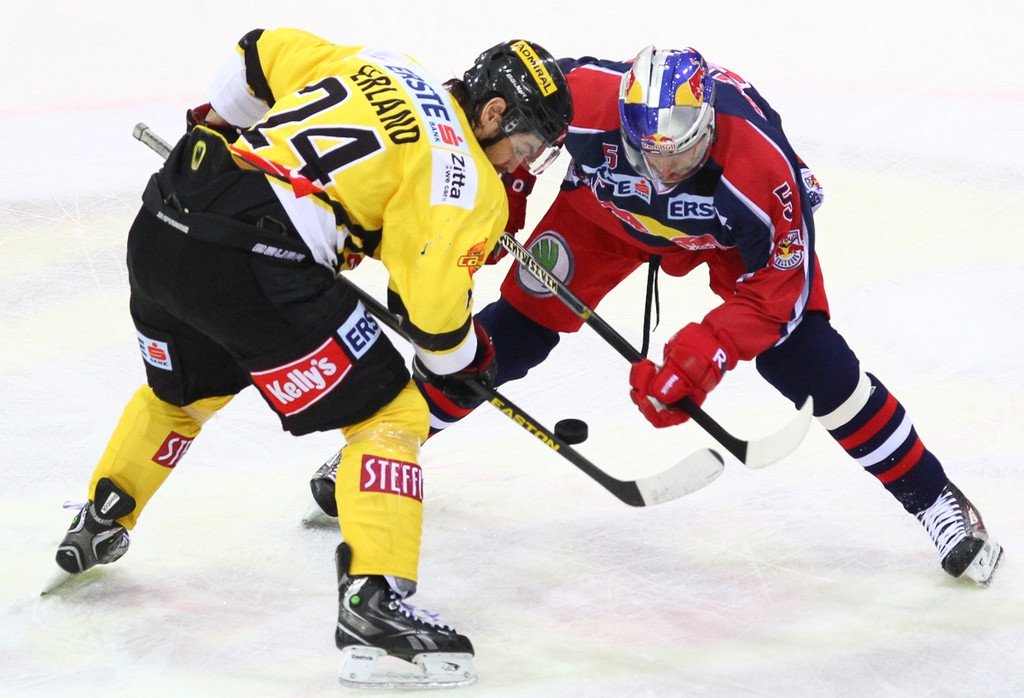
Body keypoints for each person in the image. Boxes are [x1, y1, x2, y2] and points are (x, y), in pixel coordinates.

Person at [311, 45, 1003, 587]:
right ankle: (386, 447)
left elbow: (778, 292)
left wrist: (705, 353)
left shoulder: (762, 170)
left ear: (709, 128)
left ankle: (935, 498)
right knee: (514, 330)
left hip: (723, 240)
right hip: (604, 219)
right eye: (649, 151)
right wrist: (502, 209)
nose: (665, 170)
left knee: (809, 360)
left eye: (683, 153)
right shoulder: (583, 97)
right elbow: (503, 127)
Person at [52, 28, 572, 688]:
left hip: (167, 218)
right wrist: (470, 363)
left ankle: (103, 514)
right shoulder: (466, 177)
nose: (520, 164)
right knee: (393, 417)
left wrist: (220, 122)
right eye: (524, 147)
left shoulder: (389, 63)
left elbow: (258, 50)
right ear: (494, 112)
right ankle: (375, 601)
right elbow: (434, 322)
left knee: (186, 391)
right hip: (256, 261)